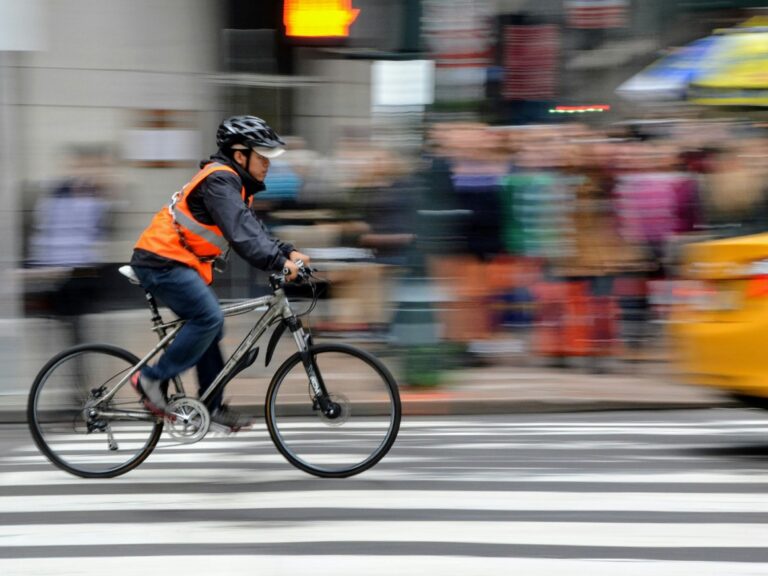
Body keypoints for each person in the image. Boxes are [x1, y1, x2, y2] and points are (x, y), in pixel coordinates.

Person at [129, 115, 310, 429]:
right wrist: (279, 264)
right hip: (160, 262)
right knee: (209, 317)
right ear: (240, 155)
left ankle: (211, 406)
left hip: (176, 263)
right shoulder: (220, 179)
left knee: (212, 326)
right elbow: (242, 235)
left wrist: (286, 250)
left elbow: (254, 230)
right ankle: (151, 380)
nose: (268, 163)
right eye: (263, 155)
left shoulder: (234, 186)